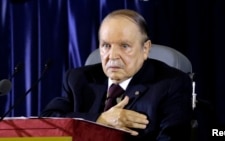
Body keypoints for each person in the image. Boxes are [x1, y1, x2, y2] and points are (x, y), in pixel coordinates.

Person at [41, 9, 193, 141]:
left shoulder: (172, 84)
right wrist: (99, 120)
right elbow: (48, 122)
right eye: (106, 46)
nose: (112, 56)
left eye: (124, 46)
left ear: (145, 49)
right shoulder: (78, 79)